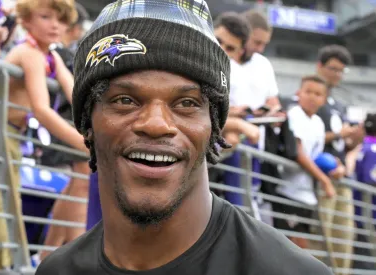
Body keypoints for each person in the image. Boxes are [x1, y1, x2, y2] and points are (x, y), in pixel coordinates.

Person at [36, 1, 333, 274]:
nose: (156, 124)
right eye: (125, 100)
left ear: (214, 125)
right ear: (87, 120)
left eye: (187, 104)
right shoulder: (58, 271)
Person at [0, 0, 86, 269]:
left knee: (6, 215)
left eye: (61, 20)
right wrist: (87, 143)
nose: (55, 25)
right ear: (26, 20)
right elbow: (42, 110)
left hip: (8, 135)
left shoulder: (47, 56)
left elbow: (73, 91)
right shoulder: (29, 53)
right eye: (45, 17)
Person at [39, 2, 91, 260]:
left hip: (73, 122)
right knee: (81, 182)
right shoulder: (56, 52)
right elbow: (72, 89)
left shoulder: (62, 53)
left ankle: (52, 252)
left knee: (78, 184)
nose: (55, 26)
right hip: (70, 124)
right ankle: (72, 251)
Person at [273, 75, 341, 249]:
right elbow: (299, 153)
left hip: (307, 195)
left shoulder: (318, 122)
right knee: (288, 246)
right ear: (299, 93)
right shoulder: (294, 115)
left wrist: (336, 166)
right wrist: (325, 181)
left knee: (301, 247)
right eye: (308, 91)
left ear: (324, 99)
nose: (312, 96)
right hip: (287, 191)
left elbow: (316, 157)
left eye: (318, 94)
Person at [315, 45, 356, 274]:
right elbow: (306, 138)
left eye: (341, 71)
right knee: (324, 241)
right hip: (323, 178)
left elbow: (345, 145)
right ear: (319, 66)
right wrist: (340, 134)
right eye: (333, 68)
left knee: (344, 240)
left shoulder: (339, 106)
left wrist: (355, 138)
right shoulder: (309, 97)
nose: (337, 75)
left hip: (343, 178)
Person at [212, 12, 260, 207]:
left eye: (229, 47)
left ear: (238, 52)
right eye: (218, 40)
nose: (221, 48)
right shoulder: (189, 57)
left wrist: (235, 116)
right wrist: (238, 123)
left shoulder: (232, 75)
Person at [352, 113, 376, 270]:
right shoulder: (373, 149)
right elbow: (370, 180)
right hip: (368, 216)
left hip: (359, 213)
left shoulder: (362, 147)